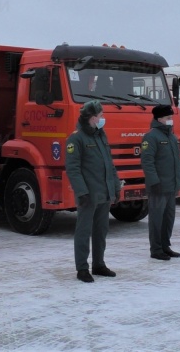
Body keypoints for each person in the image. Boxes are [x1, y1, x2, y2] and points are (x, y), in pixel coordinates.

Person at [65, 100, 122, 282]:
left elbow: (109, 166)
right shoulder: (76, 138)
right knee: (83, 231)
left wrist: (115, 187)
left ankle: (99, 264)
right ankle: (82, 268)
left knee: (101, 231)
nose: (102, 118)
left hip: (103, 193)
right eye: (100, 115)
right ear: (91, 117)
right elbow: (72, 168)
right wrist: (81, 192)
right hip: (88, 195)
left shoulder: (100, 136)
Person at [141, 104, 180, 260]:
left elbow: (176, 161)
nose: (171, 120)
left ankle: (165, 245)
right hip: (158, 186)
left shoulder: (171, 137)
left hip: (171, 186)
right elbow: (147, 162)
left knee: (168, 218)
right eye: (168, 118)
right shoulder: (151, 137)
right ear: (159, 119)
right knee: (156, 219)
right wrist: (154, 181)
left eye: (171, 118)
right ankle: (156, 249)